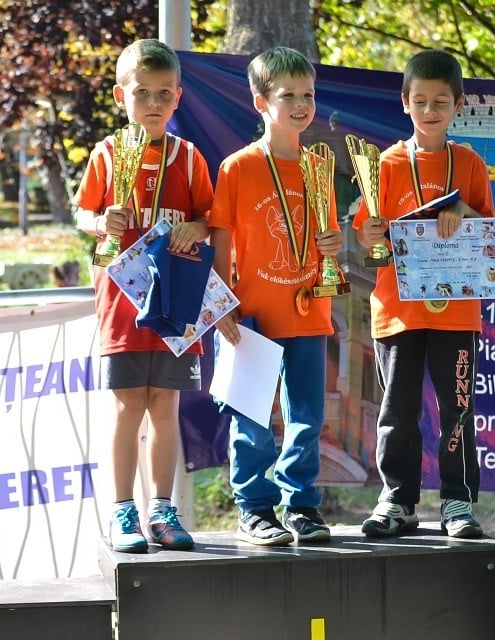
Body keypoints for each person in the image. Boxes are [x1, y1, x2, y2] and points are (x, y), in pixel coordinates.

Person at [73, 39, 214, 553]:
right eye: (141, 93)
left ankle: (163, 510)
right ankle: (122, 512)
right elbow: (83, 212)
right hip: (122, 302)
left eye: (162, 94)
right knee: (128, 403)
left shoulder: (190, 157)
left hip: (176, 298)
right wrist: (98, 221)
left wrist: (195, 229)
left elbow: (210, 221)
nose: (152, 103)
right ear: (120, 95)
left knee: (165, 405)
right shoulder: (107, 154)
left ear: (177, 98)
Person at [353, 50, 494, 540]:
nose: (430, 110)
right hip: (398, 312)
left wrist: (463, 217)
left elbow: (490, 232)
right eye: (420, 101)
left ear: (458, 105)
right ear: (404, 104)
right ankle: (398, 499)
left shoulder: (470, 164)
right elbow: (368, 236)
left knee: (457, 408)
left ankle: (457, 501)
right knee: (397, 410)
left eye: (440, 101)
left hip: (456, 313)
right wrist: (371, 232)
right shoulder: (386, 164)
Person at [210, 47, 343, 546]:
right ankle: (254, 508)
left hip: (309, 310)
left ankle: (302, 506)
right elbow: (221, 239)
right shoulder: (238, 168)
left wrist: (332, 244)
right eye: (288, 95)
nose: (301, 104)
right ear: (261, 101)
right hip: (253, 316)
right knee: (251, 418)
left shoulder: (319, 168)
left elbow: (326, 238)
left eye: (308, 94)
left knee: (307, 417)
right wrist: (222, 303)